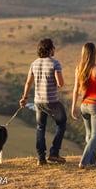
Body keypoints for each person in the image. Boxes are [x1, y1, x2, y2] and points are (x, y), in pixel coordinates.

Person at [20, 38, 67, 166]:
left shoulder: (34, 63)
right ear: (50, 49)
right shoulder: (55, 63)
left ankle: (41, 158)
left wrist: (24, 97)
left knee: (40, 127)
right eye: (53, 48)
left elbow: (28, 82)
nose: (54, 50)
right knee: (61, 123)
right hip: (51, 101)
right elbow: (60, 83)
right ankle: (54, 153)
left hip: (38, 102)